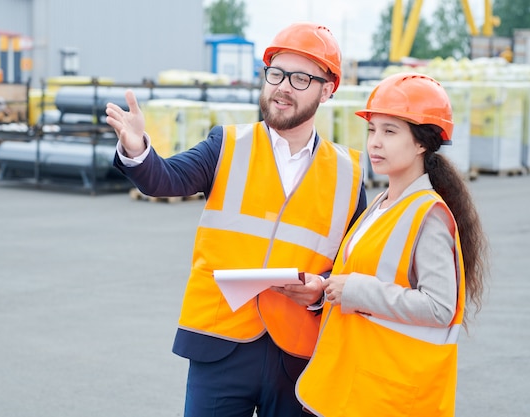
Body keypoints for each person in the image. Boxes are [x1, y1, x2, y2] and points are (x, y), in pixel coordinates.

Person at [105, 22, 367, 417]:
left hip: (299, 354)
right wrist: (137, 147)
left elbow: (356, 262)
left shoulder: (348, 174)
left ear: (327, 89)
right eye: (276, 73)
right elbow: (165, 178)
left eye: (300, 78)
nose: (282, 87)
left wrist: (322, 288)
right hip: (220, 344)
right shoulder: (226, 144)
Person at [296, 73, 489, 417]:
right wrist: (324, 288)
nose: (375, 143)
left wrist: (356, 290)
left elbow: (440, 307)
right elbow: (370, 276)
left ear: (421, 143)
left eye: (390, 131)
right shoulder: (381, 204)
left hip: (388, 392)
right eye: (372, 130)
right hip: (354, 382)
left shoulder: (427, 214)